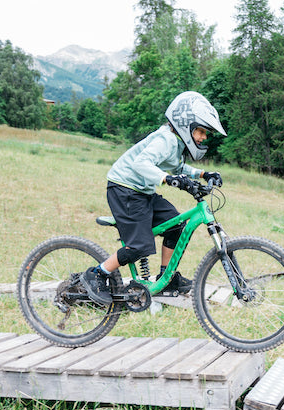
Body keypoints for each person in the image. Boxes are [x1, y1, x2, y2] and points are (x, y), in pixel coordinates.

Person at [82, 91, 225, 305]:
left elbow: (177, 167)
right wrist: (168, 179)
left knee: (175, 226)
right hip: (125, 190)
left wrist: (203, 174)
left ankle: (166, 278)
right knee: (139, 246)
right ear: (186, 125)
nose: (204, 137)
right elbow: (141, 164)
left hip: (142, 192)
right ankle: (97, 274)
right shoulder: (165, 139)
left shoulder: (174, 144)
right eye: (201, 131)